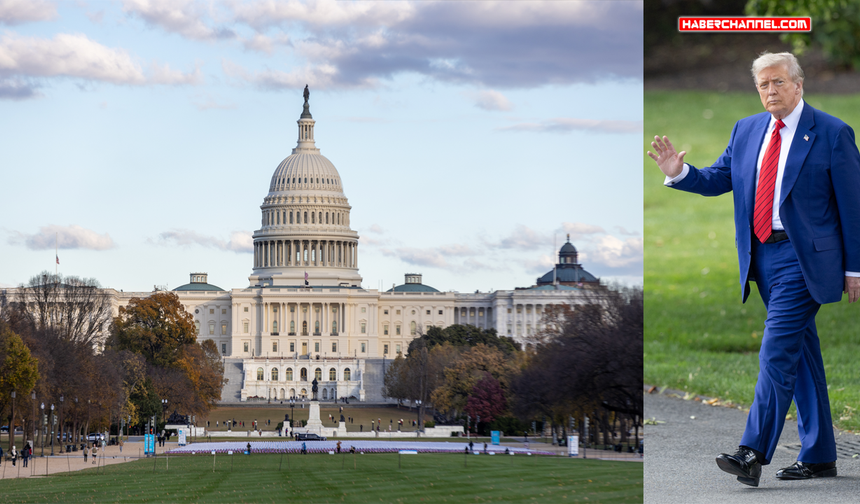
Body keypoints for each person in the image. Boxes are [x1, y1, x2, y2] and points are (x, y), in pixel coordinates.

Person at [648, 51, 860, 487]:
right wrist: (680, 172)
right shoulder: (746, 130)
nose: (771, 91)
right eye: (763, 84)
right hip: (763, 258)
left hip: (807, 260)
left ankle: (751, 452)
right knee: (801, 356)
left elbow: (854, 207)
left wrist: (855, 268)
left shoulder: (833, 134)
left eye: (779, 82)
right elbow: (720, 178)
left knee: (776, 352)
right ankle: (819, 455)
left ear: (798, 85)